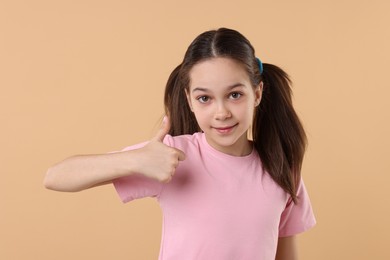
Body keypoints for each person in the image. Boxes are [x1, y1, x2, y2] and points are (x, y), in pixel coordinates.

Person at [44, 27, 316, 260]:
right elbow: (56, 177)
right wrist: (136, 160)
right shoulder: (174, 155)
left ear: (257, 93)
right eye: (204, 98)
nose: (221, 112)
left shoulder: (281, 167)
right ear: (189, 99)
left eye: (234, 94)